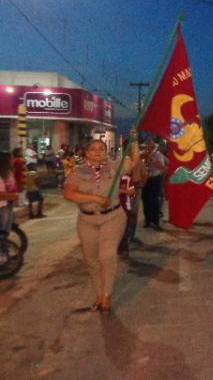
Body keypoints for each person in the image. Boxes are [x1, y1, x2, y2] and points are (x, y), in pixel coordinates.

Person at [63, 132, 139, 314]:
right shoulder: (77, 172)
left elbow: (133, 161)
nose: (97, 151)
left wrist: (134, 140)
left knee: (107, 254)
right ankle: (99, 293)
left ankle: (106, 294)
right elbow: (69, 193)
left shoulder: (114, 167)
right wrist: (95, 198)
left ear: (106, 152)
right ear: (86, 153)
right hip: (87, 219)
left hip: (112, 217)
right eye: (93, 148)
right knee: (91, 260)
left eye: (101, 148)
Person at [141, 138, 167, 230]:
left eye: (149, 147)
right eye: (146, 147)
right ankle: (147, 220)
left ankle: (155, 222)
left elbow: (162, 168)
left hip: (156, 179)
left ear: (152, 147)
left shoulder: (158, 155)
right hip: (145, 179)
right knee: (145, 200)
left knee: (155, 200)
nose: (147, 149)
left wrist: (151, 159)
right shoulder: (142, 155)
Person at [0, 153, 18, 238]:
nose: (13, 161)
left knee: (7, 226)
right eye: (11, 159)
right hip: (2, 204)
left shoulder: (9, 172)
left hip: (8, 202)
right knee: (3, 227)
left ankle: (4, 245)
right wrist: (11, 196)